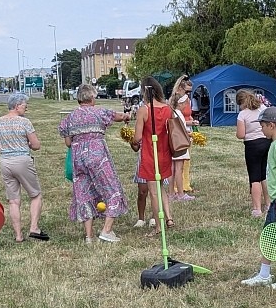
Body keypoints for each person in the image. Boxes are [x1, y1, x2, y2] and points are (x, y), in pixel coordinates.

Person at [59, 83, 131, 244]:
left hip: (78, 159)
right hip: (97, 156)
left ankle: (88, 236)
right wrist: (127, 116)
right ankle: (107, 230)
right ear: (91, 97)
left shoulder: (69, 118)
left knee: (83, 194)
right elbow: (117, 116)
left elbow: (68, 143)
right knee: (112, 190)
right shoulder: (99, 112)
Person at [240, 106, 276, 290]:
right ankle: (264, 274)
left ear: (271, 125)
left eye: (263, 126)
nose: (261, 129)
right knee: (271, 235)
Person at [0, 93, 47, 242]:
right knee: (35, 195)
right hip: (22, 160)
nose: (26, 108)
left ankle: (18, 235)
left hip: (5, 162)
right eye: (24, 106)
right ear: (17, 106)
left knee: (13, 200)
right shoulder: (24, 122)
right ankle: (34, 228)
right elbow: (36, 145)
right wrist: (27, 144)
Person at [135, 76, 174, 237]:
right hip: (165, 152)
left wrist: (132, 142)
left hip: (150, 153)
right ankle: (169, 217)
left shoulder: (144, 110)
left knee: (153, 192)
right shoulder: (168, 109)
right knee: (161, 187)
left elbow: (137, 137)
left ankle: (158, 226)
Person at [234, 89, 271, 217]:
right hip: (266, 142)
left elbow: (241, 134)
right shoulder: (262, 108)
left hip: (252, 145)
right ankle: (268, 204)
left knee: (255, 177)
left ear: (240, 103)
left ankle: (257, 209)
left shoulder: (243, 114)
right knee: (264, 175)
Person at [169, 76, 195, 201]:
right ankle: (180, 193)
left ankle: (171, 193)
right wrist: (190, 134)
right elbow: (182, 129)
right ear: (181, 103)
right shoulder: (179, 114)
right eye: (185, 104)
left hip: (173, 143)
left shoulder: (172, 111)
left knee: (172, 169)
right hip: (180, 144)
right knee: (179, 169)